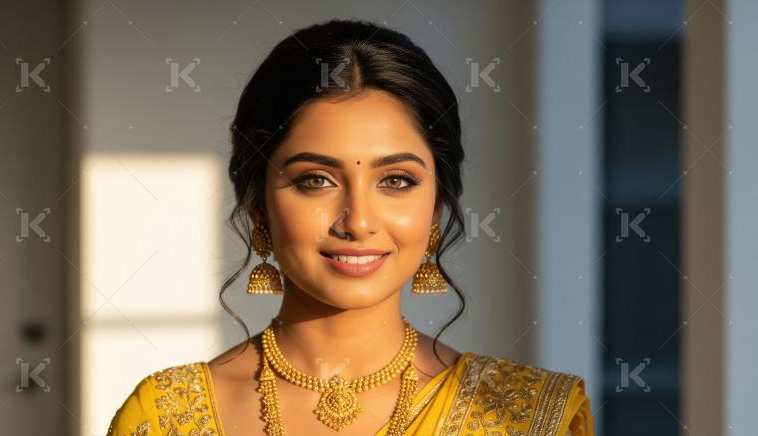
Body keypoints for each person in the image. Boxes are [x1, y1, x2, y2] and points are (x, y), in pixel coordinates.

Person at [107, 18, 593, 436]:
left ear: (438, 205)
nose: (358, 221)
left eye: (397, 181)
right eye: (315, 180)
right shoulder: (164, 417)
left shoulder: (527, 417)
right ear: (257, 206)